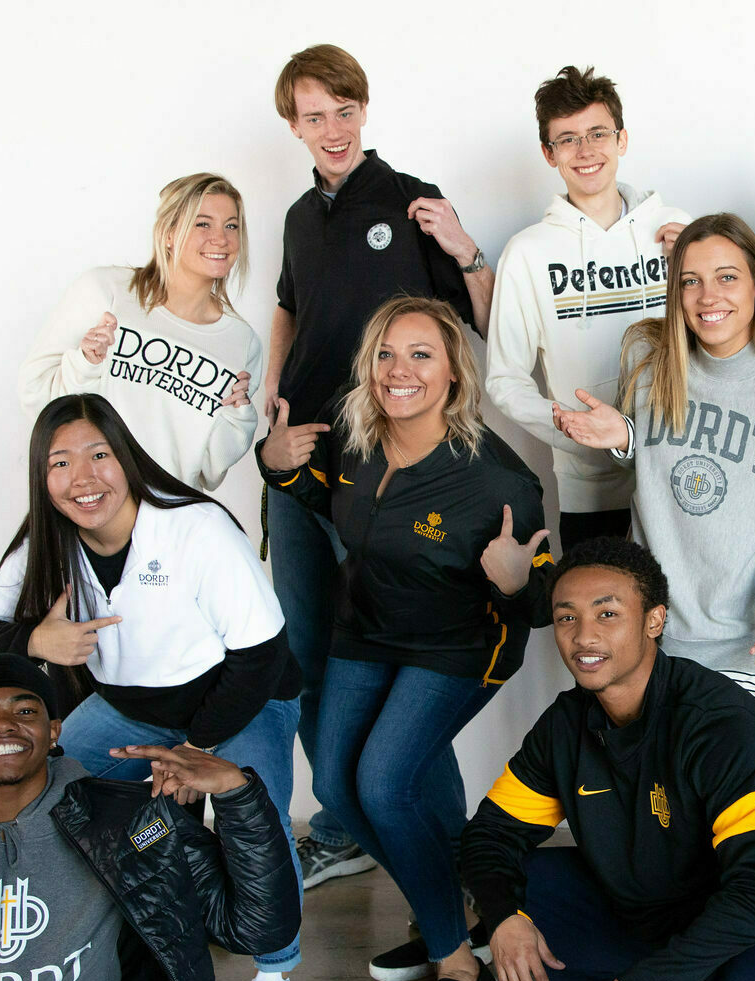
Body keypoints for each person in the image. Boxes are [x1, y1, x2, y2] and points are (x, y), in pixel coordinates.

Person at [0, 394, 306, 981]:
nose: (82, 478)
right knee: (54, 793)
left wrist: (196, 751)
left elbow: (262, 657)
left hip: (243, 699)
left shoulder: (195, 527)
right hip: (133, 707)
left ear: (127, 457)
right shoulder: (49, 541)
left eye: (98, 455)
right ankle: (102, 961)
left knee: (257, 813)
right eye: (60, 462)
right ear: (42, 476)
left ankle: (274, 973)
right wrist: (36, 641)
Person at [258, 295, 553, 981]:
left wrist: (517, 581)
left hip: (460, 647)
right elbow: (322, 497)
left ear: (455, 373)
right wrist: (274, 465)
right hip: (368, 631)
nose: (400, 370)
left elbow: (545, 601)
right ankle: (449, 914)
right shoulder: (355, 438)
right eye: (387, 354)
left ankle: (458, 963)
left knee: (385, 784)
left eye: (422, 354)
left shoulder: (497, 479)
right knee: (334, 785)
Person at [460, 538, 755, 981]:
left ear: (654, 621)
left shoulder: (719, 725)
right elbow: (489, 836)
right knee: (522, 889)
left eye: (607, 614)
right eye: (566, 617)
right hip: (670, 902)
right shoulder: (564, 727)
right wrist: (504, 918)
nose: (584, 636)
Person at [268, 43, 497, 891]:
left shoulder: (410, 199)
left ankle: (446, 853)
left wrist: (466, 247)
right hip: (298, 463)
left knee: (404, 658)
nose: (332, 129)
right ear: (294, 125)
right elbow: (289, 306)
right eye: (313, 116)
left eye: (344, 110)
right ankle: (343, 825)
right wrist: (272, 398)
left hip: (384, 466)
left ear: (363, 111)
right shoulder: (299, 216)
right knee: (306, 651)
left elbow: (483, 322)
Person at [0, 653, 299, 981]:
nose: (3, 723)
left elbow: (259, 931)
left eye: (25, 711)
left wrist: (235, 794)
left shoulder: (129, 820)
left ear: (53, 732)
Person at [554, 213, 755, 712]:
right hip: (654, 640)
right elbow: (662, 471)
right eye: (690, 281)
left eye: (726, 277)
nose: (708, 296)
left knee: (719, 764)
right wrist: (626, 439)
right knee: (648, 765)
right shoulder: (649, 359)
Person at [485, 65, 690, 548]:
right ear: (549, 153)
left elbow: (724, 335)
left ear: (622, 139)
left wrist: (699, 262)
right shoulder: (527, 253)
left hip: (684, 472)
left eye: (598, 133)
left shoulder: (677, 229)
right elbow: (504, 379)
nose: (586, 150)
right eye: (568, 139)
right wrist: (575, 431)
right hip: (592, 493)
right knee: (595, 600)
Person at [18, 173, 260, 492]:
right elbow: (36, 396)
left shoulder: (242, 342)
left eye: (231, 226)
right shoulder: (106, 291)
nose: (221, 238)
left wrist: (240, 419)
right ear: (169, 233)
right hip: (91, 500)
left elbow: (208, 472)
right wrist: (87, 364)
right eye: (202, 223)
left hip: (171, 511)